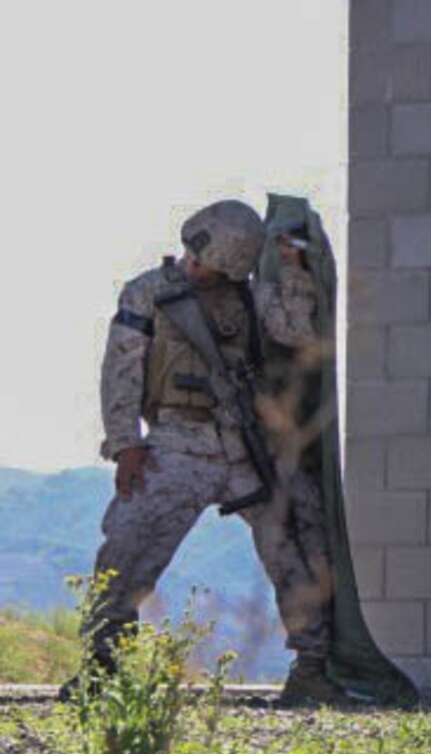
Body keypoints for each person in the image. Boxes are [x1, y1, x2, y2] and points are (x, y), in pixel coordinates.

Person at [81, 199, 345, 707]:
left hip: (248, 449)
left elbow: (297, 331)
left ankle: (313, 669)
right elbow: (121, 371)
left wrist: (292, 268)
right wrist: (125, 445)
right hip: (176, 445)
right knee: (127, 546)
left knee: (299, 541)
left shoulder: (252, 298)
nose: (191, 261)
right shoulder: (149, 294)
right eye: (191, 250)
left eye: (203, 255)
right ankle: (102, 668)